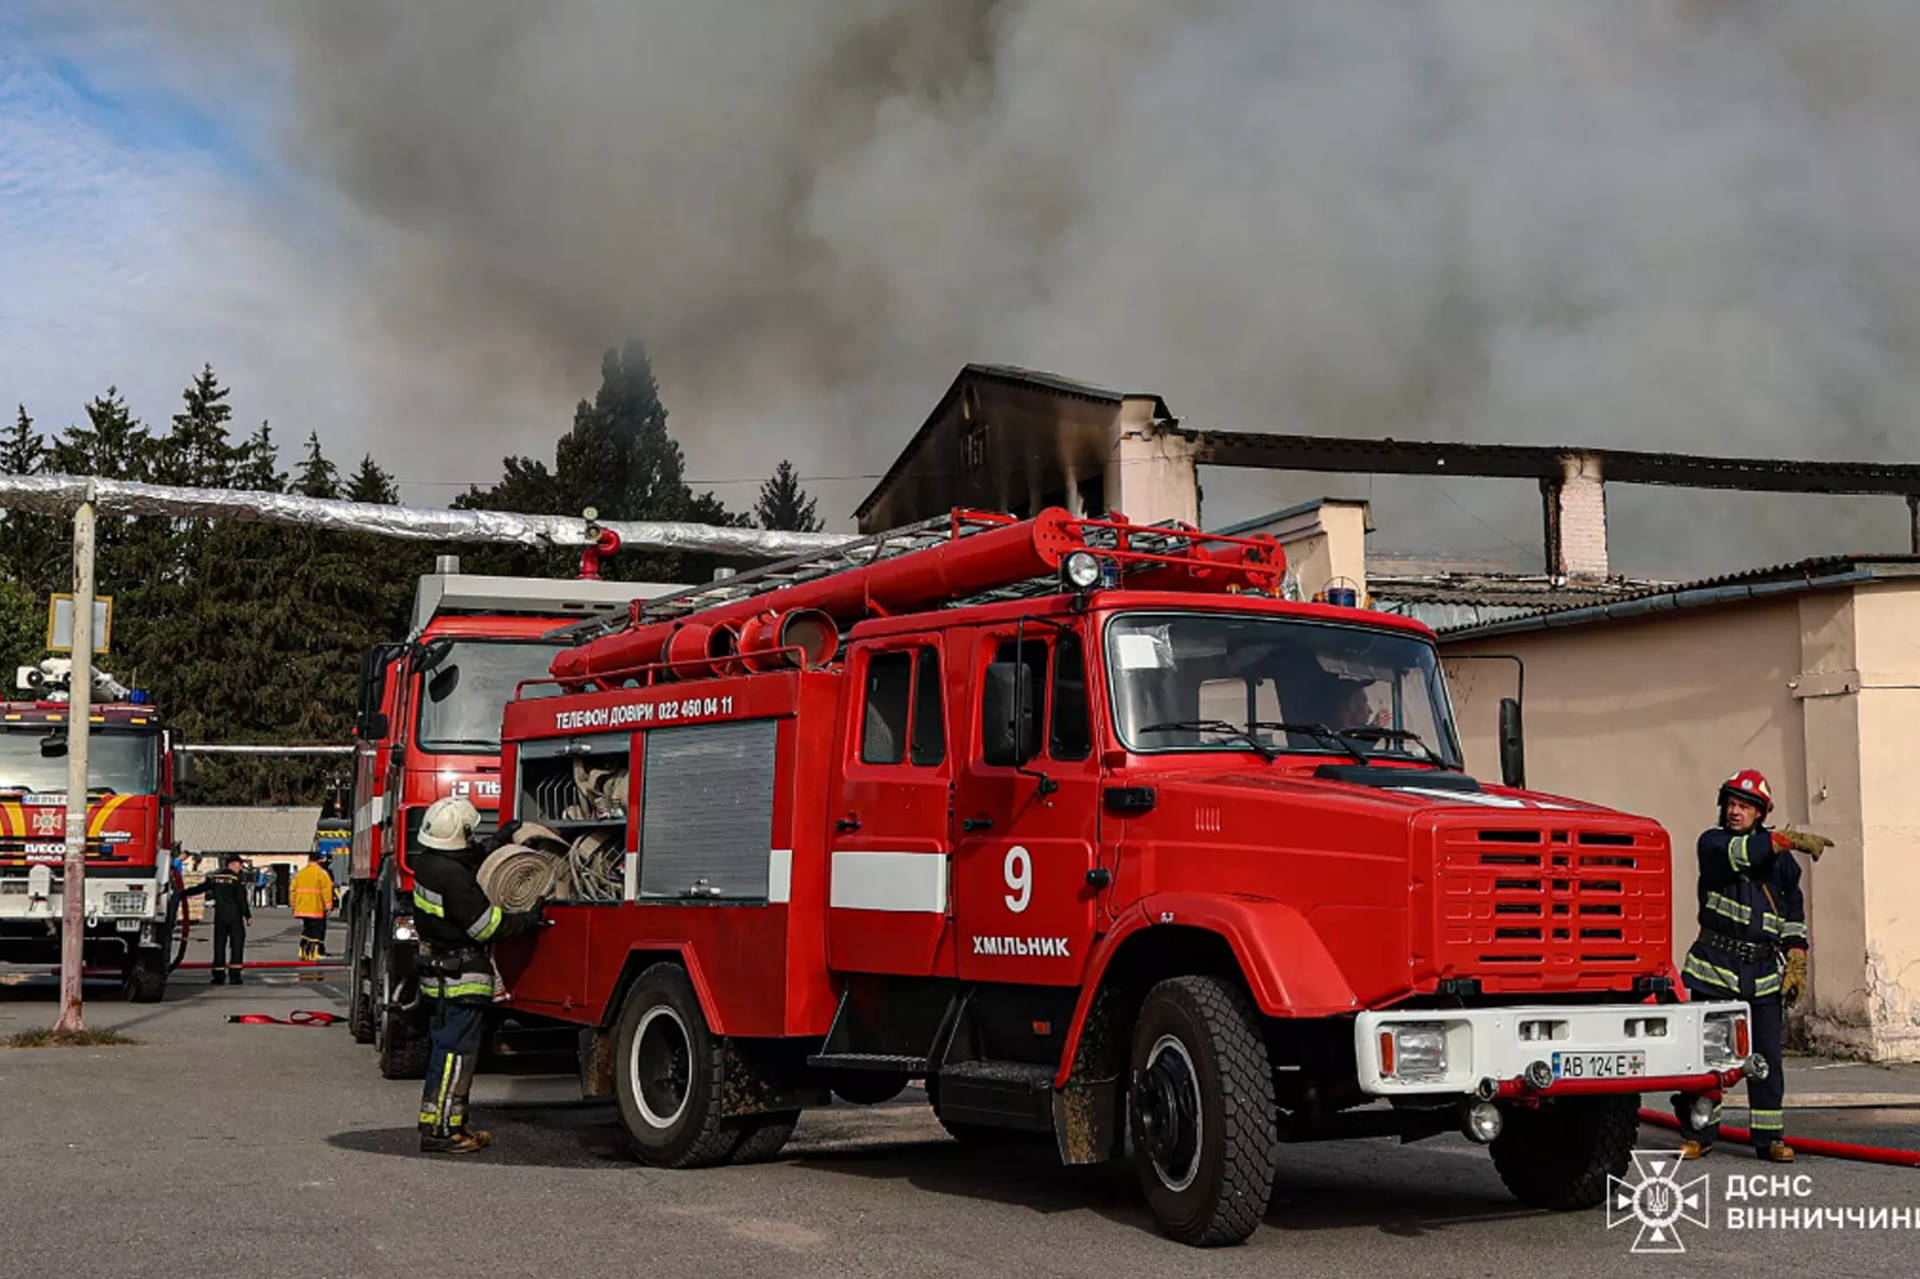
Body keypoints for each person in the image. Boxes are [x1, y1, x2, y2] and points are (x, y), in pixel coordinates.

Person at [1673, 769, 1831, 1162]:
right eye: (1731, 803)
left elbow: (1793, 912)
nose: (1735, 811)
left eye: (1745, 806)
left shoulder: (1782, 863)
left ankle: (1769, 1138)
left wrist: (1797, 957)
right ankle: (1700, 1133)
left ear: (1760, 813)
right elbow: (1744, 854)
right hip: (1715, 967)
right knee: (1711, 1057)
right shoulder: (1713, 843)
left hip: (1761, 972)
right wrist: (1781, 839)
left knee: (1765, 1060)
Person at [409, 796, 547, 1154]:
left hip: (440, 974)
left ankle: (450, 1123)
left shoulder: (428, 863)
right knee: (456, 1055)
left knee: (449, 1051)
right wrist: (528, 918)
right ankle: (440, 1132)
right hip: (462, 976)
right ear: (462, 834)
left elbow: (467, 856)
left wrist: (500, 841)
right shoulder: (454, 877)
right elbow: (487, 926)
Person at [181, 852, 251, 985]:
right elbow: (241, 900)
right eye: (239, 865)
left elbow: (201, 888)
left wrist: (183, 893)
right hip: (235, 916)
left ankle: (218, 975)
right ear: (232, 864)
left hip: (220, 916)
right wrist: (247, 915)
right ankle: (234, 976)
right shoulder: (236, 880)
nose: (240, 868)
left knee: (219, 945)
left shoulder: (215, 877)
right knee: (236, 945)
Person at [290, 850, 337, 960]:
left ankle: (303, 952)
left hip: (302, 908)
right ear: (319, 860)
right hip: (315, 908)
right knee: (316, 931)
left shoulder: (300, 873)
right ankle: (314, 953)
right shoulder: (321, 873)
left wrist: (293, 905)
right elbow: (327, 891)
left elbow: (292, 890)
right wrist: (328, 906)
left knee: (307, 930)